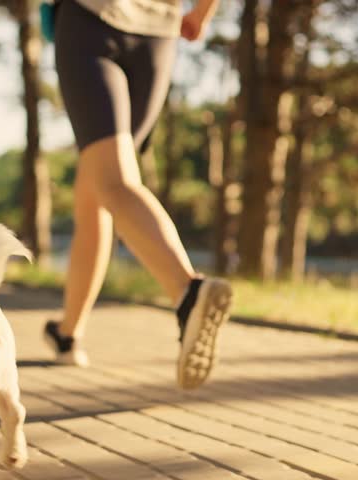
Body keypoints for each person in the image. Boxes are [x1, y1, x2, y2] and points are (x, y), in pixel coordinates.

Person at [42, 0, 231, 389]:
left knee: (112, 182)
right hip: (158, 38)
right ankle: (67, 333)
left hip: (90, 21)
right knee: (96, 186)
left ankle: (188, 291)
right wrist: (201, 14)